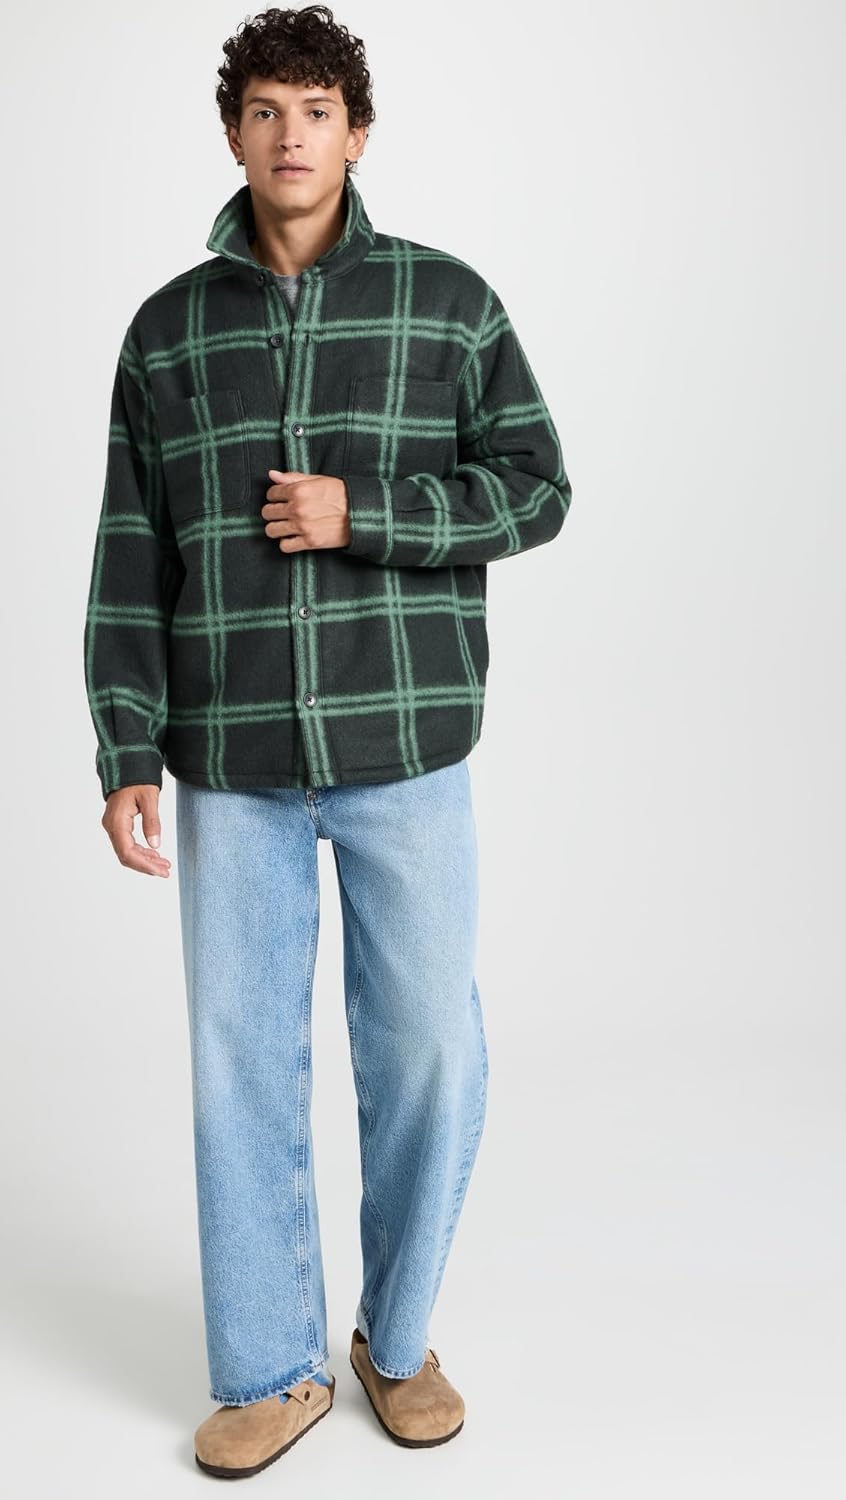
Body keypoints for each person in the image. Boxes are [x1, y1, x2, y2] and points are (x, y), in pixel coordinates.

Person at [83, 3, 572, 1479]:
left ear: (356, 134)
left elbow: (537, 488)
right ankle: (270, 1367)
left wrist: (369, 516)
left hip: (404, 744)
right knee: (238, 1065)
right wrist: (124, 748)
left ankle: (397, 1340)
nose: (288, 136)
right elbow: (129, 554)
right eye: (263, 110)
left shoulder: (447, 303)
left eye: (314, 110)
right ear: (233, 134)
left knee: (427, 1053)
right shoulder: (167, 332)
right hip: (229, 759)